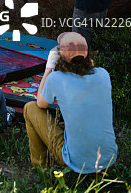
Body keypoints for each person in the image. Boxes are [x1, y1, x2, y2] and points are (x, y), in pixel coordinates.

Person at [24, 32, 117, 173]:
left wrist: (49, 67)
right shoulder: (104, 74)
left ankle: (42, 168)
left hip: (77, 161)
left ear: (60, 57)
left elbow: (41, 103)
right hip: (108, 159)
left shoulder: (56, 78)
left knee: (30, 108)